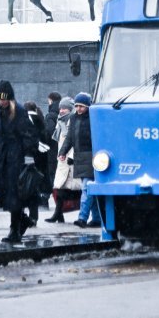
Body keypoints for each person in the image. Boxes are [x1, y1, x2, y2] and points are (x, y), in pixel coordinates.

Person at [0, 80, 39, 243]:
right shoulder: (1, 112)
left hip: (16, 158)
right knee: (8, 194)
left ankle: (14, 230)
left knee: (15, 196)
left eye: (4, 98)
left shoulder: (19, 111)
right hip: (6, 158)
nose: (1, 101)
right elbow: (0, 135)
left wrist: (28, 156)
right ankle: (23, 222)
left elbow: (29, 135)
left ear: (10, 98)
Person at [58, 92, 101, 228]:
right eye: (76, 106)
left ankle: (82, 218)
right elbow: (70, 137)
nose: (78, 109)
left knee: (87, 189)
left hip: (91, 157)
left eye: (81, 106)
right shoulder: (74, 118)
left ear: (88, 106)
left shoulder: (93, 118)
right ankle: (97, 219)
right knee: (90, 190)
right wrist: (62, 152)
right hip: (80, 157)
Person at [45, 97, 81, 223]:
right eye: (60, 108)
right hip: (62, 160)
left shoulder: (73, 121)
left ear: (70, 109)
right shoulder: (60, 122)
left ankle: (85, 216)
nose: (61, 111)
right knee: (59, 189)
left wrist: (71, 156)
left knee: (77, 190)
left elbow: (74, 141)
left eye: (64, 108)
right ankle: (58, 214)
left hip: (71, 161)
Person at [24, 101, 49, 223]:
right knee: (34, 188)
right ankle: (34, 216)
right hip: (40, 159)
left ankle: (24, 216)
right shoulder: (41, 119)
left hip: (27, 159)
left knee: (24, 188)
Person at [44, 91, 61, 207]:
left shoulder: (51, 115)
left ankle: (47, 197)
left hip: (52, 150)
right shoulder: (62, 111)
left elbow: (49, 132)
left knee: (52, 174)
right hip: (61, 148)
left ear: (50, 100)